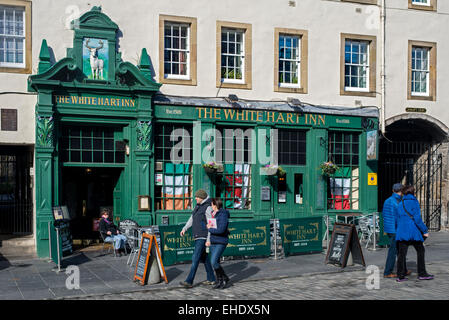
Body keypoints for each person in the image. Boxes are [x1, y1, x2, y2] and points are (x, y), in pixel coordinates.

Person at [395, 185, 433, 282]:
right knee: (420, 251)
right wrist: (425, 230)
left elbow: (397, 218)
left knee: (401, 254)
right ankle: (422, 273)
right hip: (413, 231)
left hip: (401, 231)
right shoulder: (414, 202)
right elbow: (417, 219)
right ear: (412, 192)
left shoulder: (400, 203)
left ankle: (400, 275)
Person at [179, 189, 216, 288]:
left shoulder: (208, 208)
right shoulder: (198, 206)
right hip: (197, 236)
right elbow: (192, 218)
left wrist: (208, 239)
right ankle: (212, 278)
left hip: (203, 236)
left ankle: (189, 281)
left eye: (197, 197)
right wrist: (184, 228)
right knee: (205, 259)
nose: (195, 198)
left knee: (195, 258)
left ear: (202, 198)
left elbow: (211, 224)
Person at [382, 183, 411, 278]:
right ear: (401, 191)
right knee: (393, 251)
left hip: (390, 228)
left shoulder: (388, 200)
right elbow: (397, 218)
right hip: (395, 229)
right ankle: (387, 272)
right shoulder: (396, 202)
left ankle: (404, 269)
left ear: (393, 190)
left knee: (400, 250)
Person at [206, 198, 230, 289]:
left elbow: (221, 229)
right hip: (213, 241)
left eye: (211, 205)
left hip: (221, 241)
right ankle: (220, 280)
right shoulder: (213, 214)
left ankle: (224, 278)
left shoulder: (222, 214)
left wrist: (209, 228)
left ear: (215, 205)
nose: (211, 206)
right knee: (215, 262)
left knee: (213, 261)